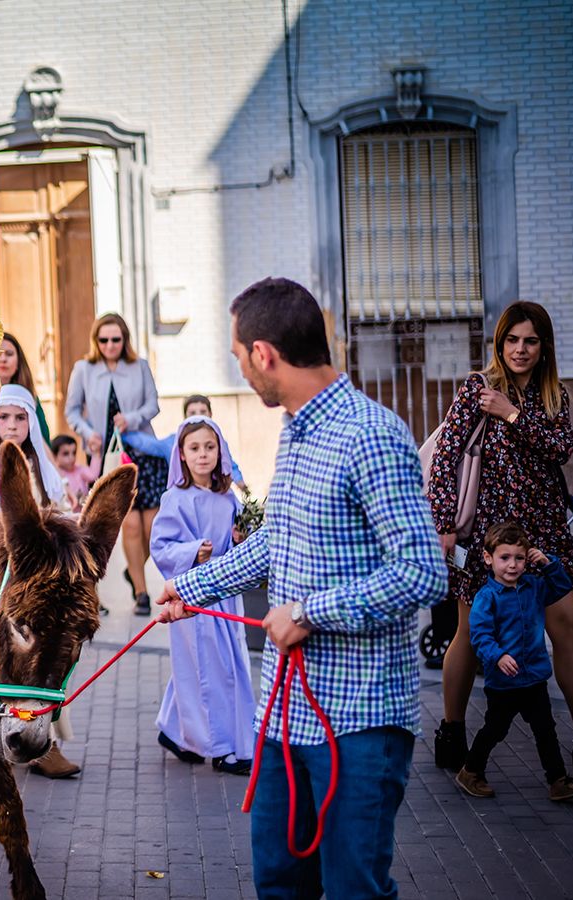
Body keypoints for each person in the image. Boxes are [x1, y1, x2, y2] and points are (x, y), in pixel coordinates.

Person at [157, 277, 447, 898]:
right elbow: (275, 542)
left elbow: (422, 571)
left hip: (360, 720)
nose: (240, 369)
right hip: (284, 717)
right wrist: (192, 589)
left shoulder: (371, 434)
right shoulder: (294, 430)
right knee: (280, 885)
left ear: (264, 355)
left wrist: (310, 613)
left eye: (239, 356)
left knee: (352, 890)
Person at [427, 301, 573, 775]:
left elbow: (562, 448)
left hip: (545, 530)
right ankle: (452, 731)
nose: (520, 349)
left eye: (530, 341)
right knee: (469, 633)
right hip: (489, 535)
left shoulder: (554, 395)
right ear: (499, 343)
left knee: (568, 626)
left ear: (543, 346)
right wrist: (445, 524)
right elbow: (445, 458)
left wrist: (513, 415)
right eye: (512, 339)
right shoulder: (479, 388)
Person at [149, 417, 255, 776]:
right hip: (193, 599)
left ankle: (175, 731)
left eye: (210, 447)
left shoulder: (228, 498)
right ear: (181, 454)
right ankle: (222, 748)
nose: (203, 455)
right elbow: (161, 547)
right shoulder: (175, 499)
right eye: (194, 448)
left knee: (220, 664)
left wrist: (240, 539)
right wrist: (193, 551)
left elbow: (236, 544)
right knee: (211, 670)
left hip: (225, 596)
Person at [0, 384, 80, 779]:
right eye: (3, 417)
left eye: (20, 418)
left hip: (32, 582)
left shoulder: (41, 466)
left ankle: (45, 740)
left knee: (45, 658)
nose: (11, 425)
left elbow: (54, 513)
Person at [455, 521, 573, 802]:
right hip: (504, 682)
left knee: (546, 730)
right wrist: (498, 656)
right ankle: (470, 771)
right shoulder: (486, 598)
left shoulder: (534, 587)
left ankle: (558, 781)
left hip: (534, 677)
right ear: (488, 558)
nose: (512, 565)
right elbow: (480, 636)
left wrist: (547, 564)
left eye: (520, 558)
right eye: (505, 557)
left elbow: (562, 587)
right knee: (495, 729)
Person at [64, 313, 162, 614]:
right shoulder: (84, 369)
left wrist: (131, 418)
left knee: (152, 527)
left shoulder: (139, 366)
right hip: (107, 457)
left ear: (124, 340)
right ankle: (142, 593)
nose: (109, 345)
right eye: (103, 339)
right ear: (96, 340)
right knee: (129, 524)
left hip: (142, 452)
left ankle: (134, 570)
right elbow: (72, 411)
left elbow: (153, 405)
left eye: (115, 339)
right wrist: (87, 433)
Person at [120, 395, 246, 486]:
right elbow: (148, 444)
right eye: (192, 413)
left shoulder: (218, 441)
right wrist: (123, 433)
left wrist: (241, 485)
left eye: (203, 412)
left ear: (210, 414)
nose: (198, 416)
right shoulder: (173, 442)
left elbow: (229, 465)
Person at [50, 435, 97, 510]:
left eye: (74, 453)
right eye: (66, 454)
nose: (71, 458)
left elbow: (93, 475)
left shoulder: (79, 470)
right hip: (66, 514)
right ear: (54, 456)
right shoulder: (54, 475)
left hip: (83, 513)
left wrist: (96, 453)